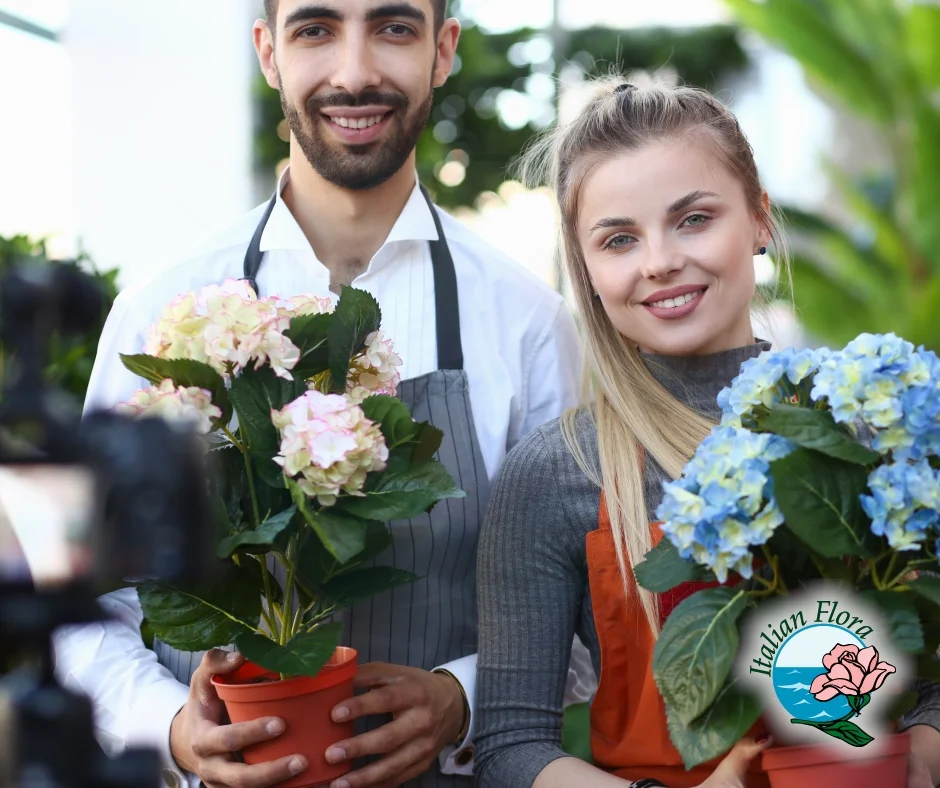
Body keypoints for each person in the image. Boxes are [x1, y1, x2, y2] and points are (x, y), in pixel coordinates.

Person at [52, 2, 594, 787]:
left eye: (394, 28)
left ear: (443, 50)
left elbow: (586, 614)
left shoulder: (527, 323)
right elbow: (79, 600)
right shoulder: (156, 313)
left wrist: (463, 701)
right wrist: (169, 728)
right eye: (315, 29)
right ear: (269, 53)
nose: (354, 71)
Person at [474, 77, 940, 788]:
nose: (659, 260)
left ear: (758, 220)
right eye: (620, 239)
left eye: (693, 219)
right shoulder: (558, 468)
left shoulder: (866, 429)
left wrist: (923, 756)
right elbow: (510, 748)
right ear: (588, 268)